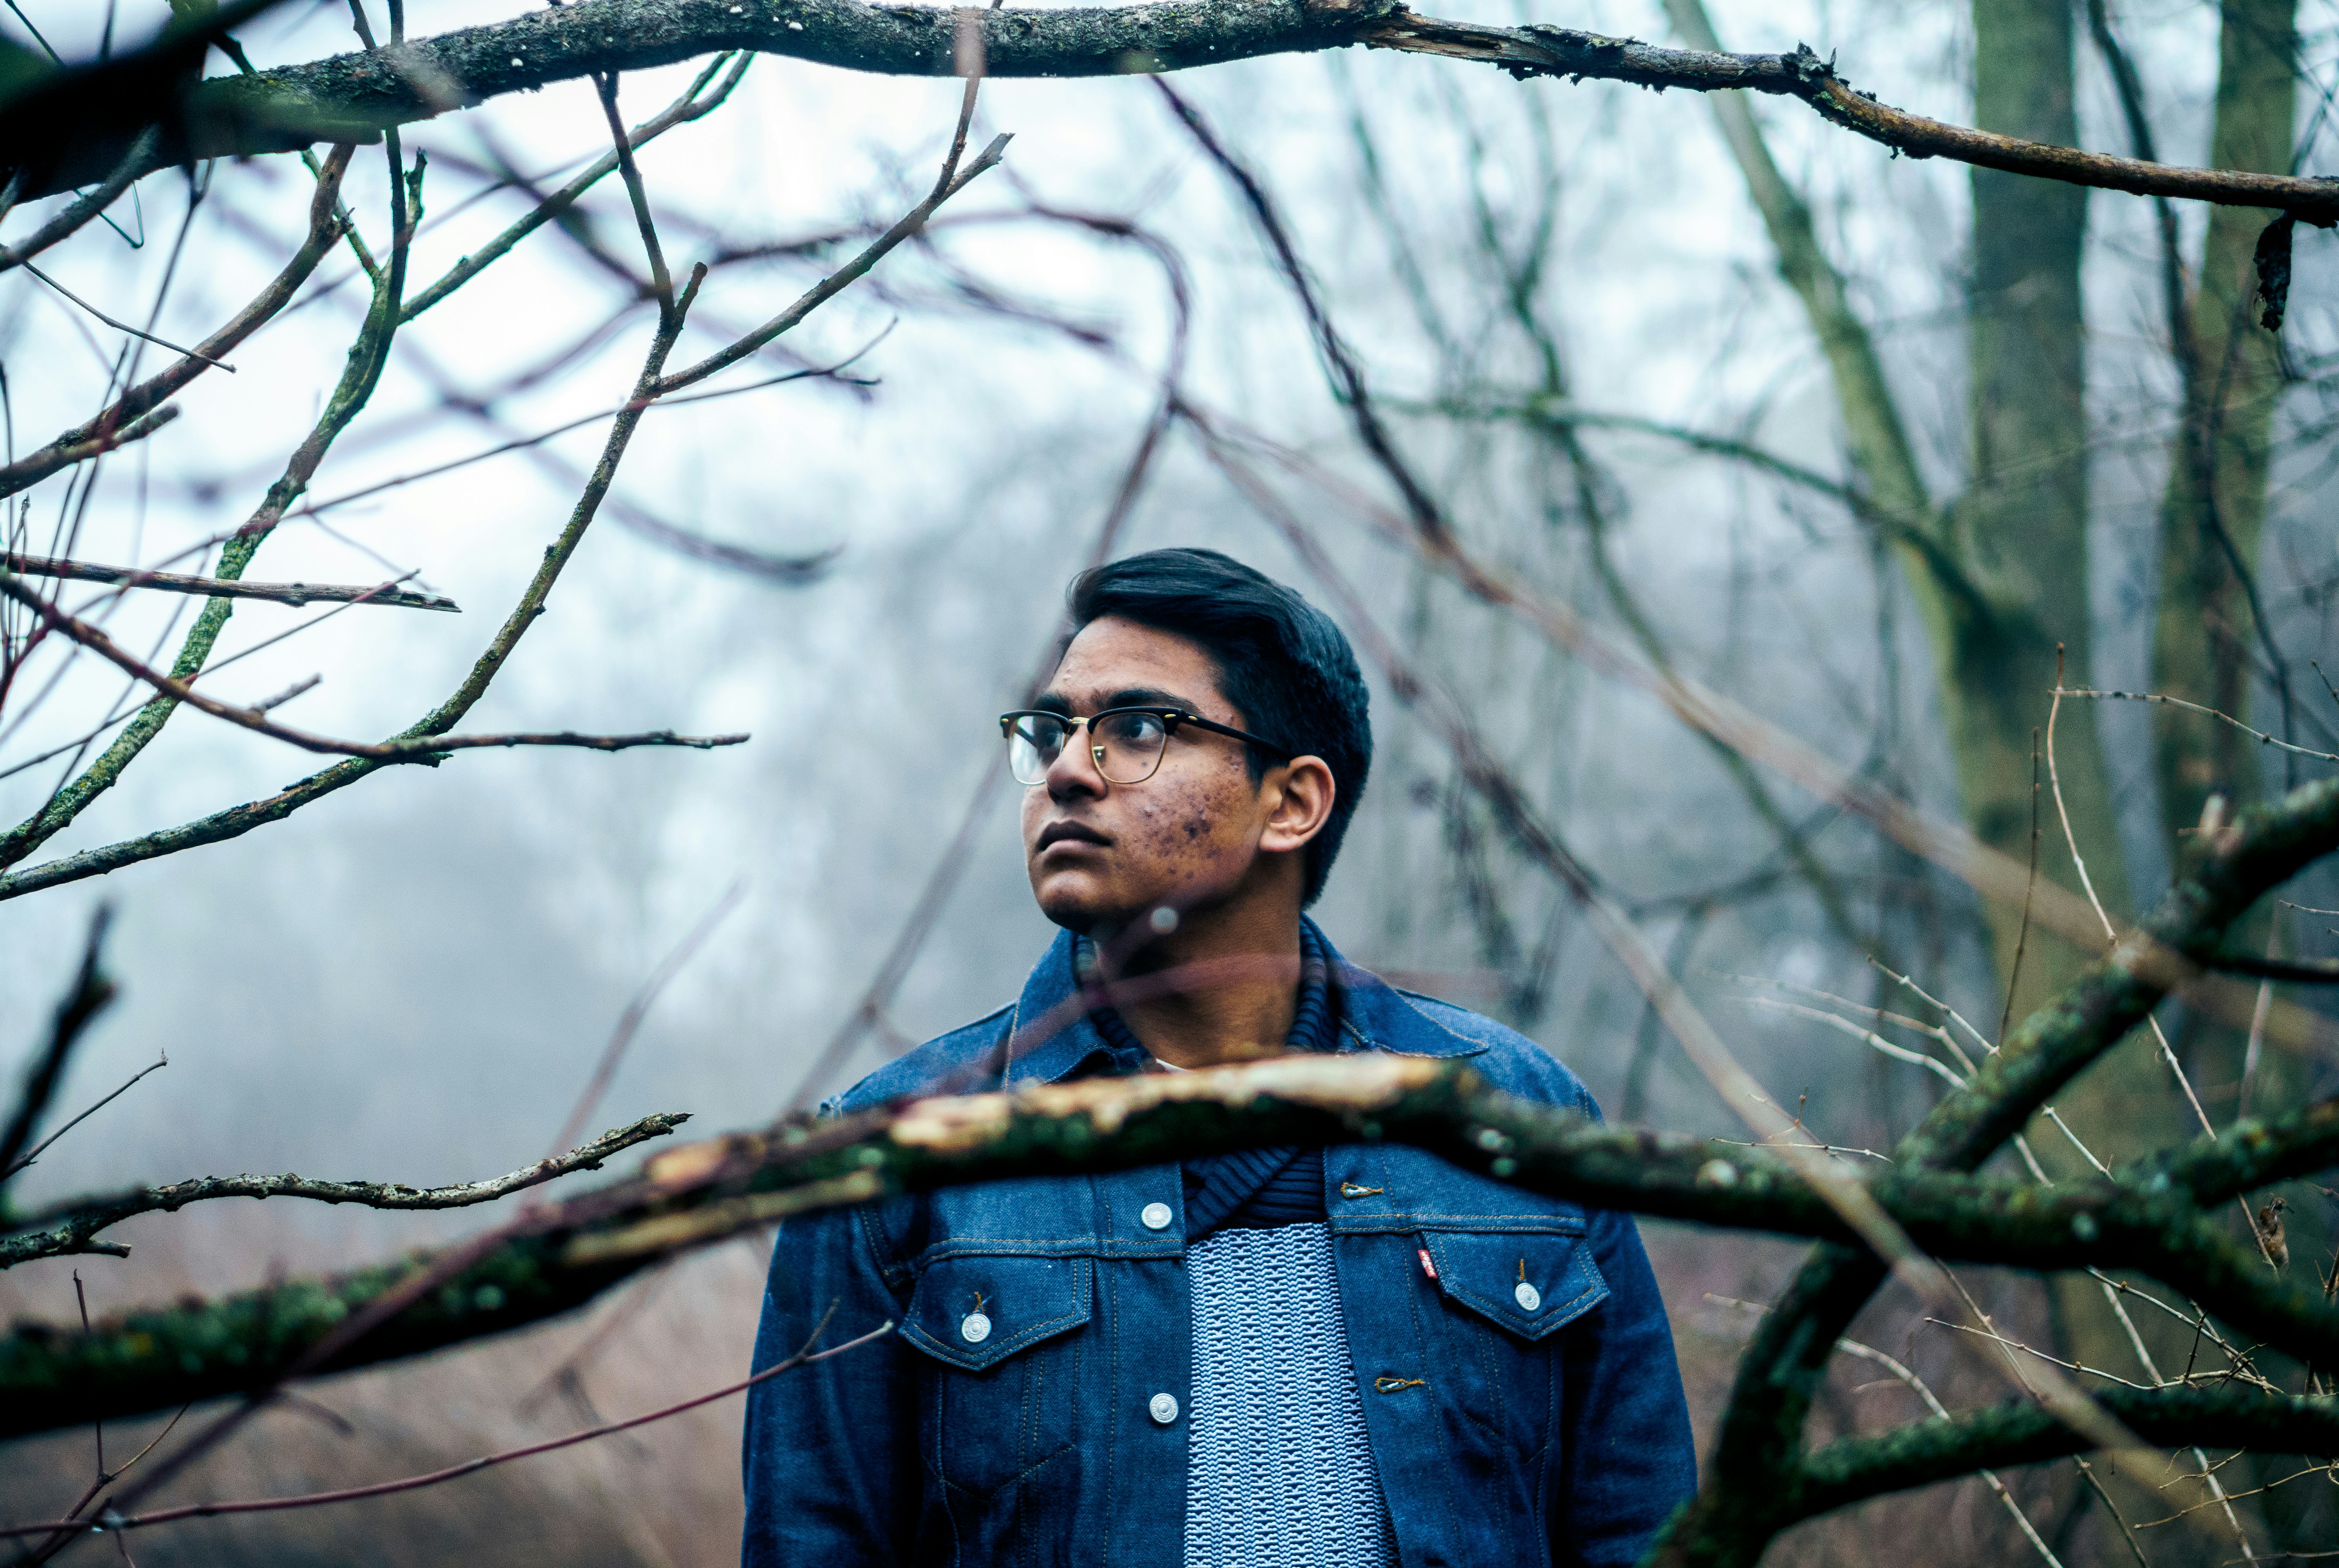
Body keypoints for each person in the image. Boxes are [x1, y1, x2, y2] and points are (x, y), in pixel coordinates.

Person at [742, 547, 1695, 1566]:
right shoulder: (899, 1156)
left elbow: (1644, 1532)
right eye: (1052, 732)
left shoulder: (1517, 1119)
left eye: (1138, 730)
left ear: (1291, 803)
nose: (1066, 769)